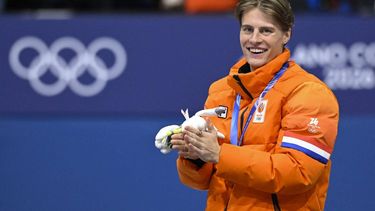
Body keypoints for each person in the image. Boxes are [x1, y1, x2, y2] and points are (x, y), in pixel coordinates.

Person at [170, 0, 339, 210]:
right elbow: (201, 181)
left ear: (286, 34)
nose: (255, 39)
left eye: (266, 31)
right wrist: (195, 155)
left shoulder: (310, 93)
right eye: (247, 29)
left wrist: (219, 155)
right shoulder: (221, 91)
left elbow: (298, 172)